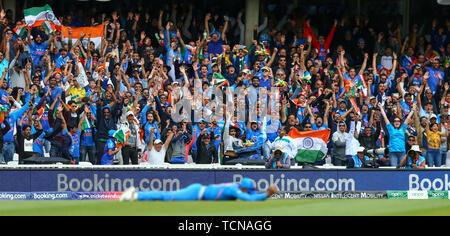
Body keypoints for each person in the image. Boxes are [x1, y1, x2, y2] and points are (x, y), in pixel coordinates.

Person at [119, 177, 278, 202]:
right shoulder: (234, 191)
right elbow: (250, 198)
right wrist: (268, 193)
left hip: (199, 191)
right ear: (244, 187)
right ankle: (135, 195)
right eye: (248, 189)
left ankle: (136, 194)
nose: (249, 191)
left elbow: (251, 194)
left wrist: (264, 194)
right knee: (167, 196)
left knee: (167, 195)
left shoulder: (238, 187)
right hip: (196, 192)